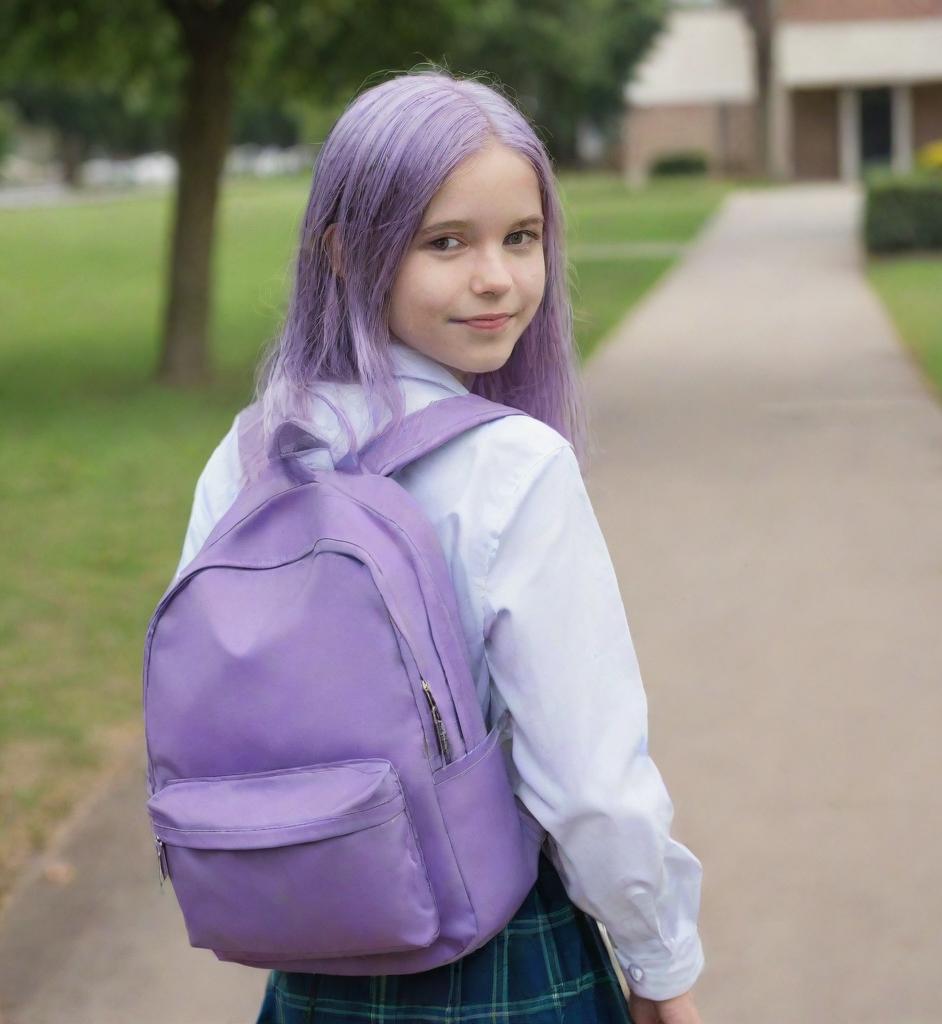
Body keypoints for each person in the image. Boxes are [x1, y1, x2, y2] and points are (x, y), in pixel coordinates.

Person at [173, 64, 707, 1024]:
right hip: (497, 949)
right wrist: (660, 963)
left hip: (315, 946)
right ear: (345, 253)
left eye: (523, 237)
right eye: (445, 242)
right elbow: (590, 783)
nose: (497, 277)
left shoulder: (252, 447)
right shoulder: (515, 465)